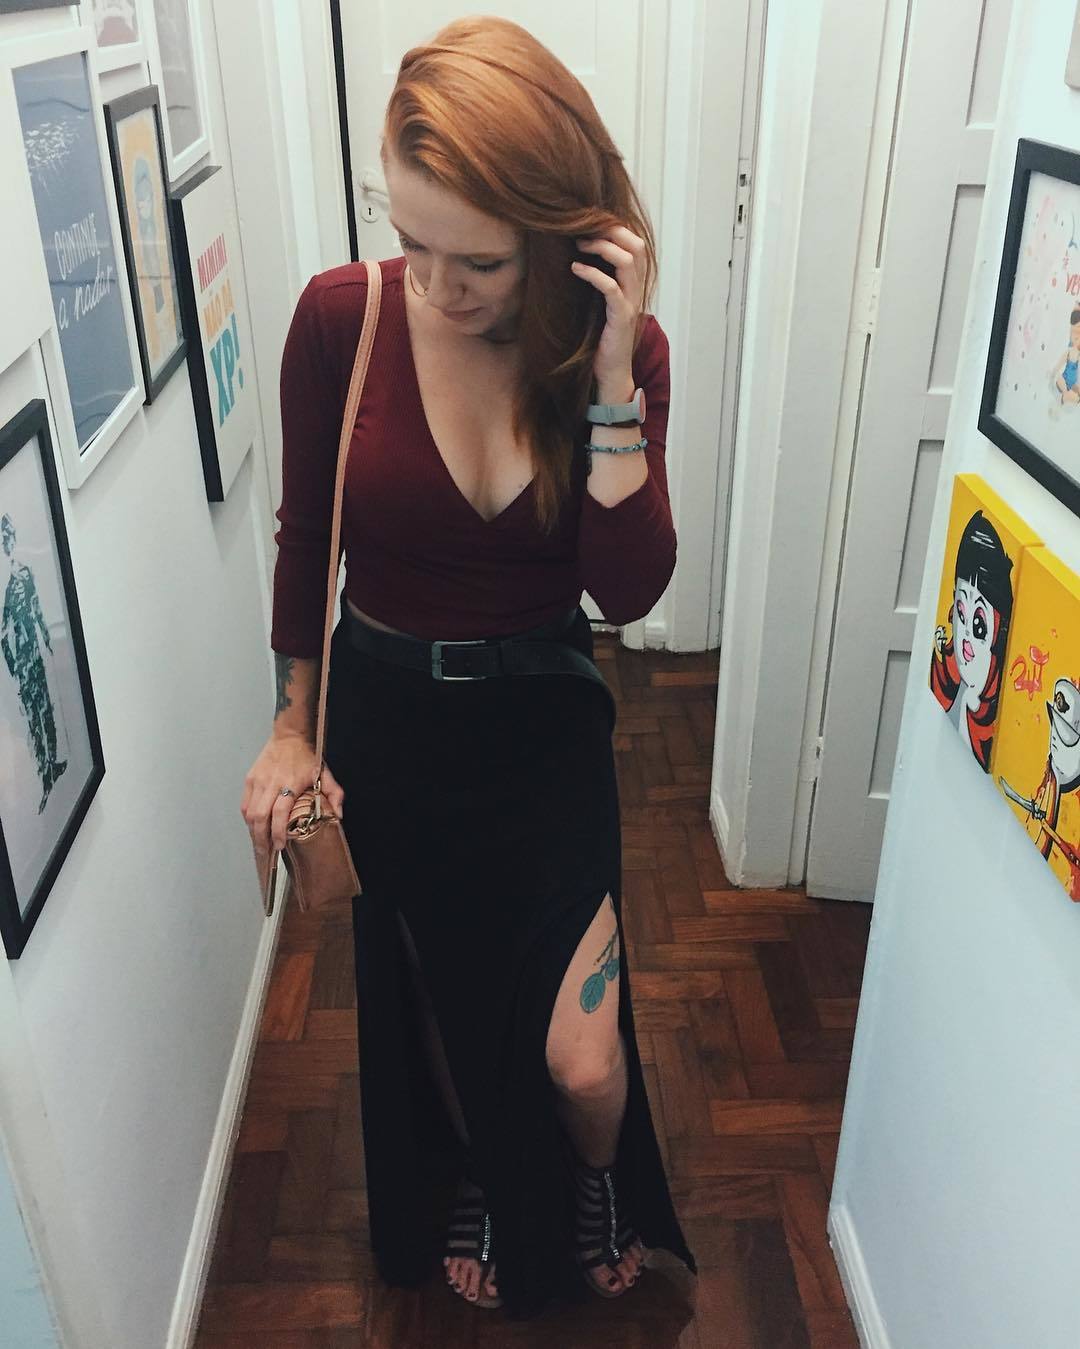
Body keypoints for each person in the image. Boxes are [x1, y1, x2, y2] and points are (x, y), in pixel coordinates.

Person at [241, 14, 696, 1321]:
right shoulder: (342, 320)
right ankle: (492, 1180)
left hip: (543, 730)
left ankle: (594, 1178)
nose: (437, 288)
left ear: (563, 237)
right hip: (391, 726)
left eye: (480, 261)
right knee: (440, 1001)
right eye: (412, 241)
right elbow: (307, 540)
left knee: (581, 1055)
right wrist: (292, 728)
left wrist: (609, 376)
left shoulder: (617, 356)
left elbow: (630, 589)